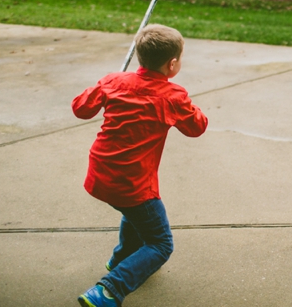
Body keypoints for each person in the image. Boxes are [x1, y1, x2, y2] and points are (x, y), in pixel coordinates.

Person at [72, 24, 208, 307]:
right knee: (160, 244)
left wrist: (102, 84)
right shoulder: (173, 96)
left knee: (134, 214)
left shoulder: (113, 81)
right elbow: (197, 127)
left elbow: (80, 108)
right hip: (132, 184)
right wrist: (188, 103)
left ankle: (121, 259)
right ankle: (109, 290)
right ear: (172, 64)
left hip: (99, 174)